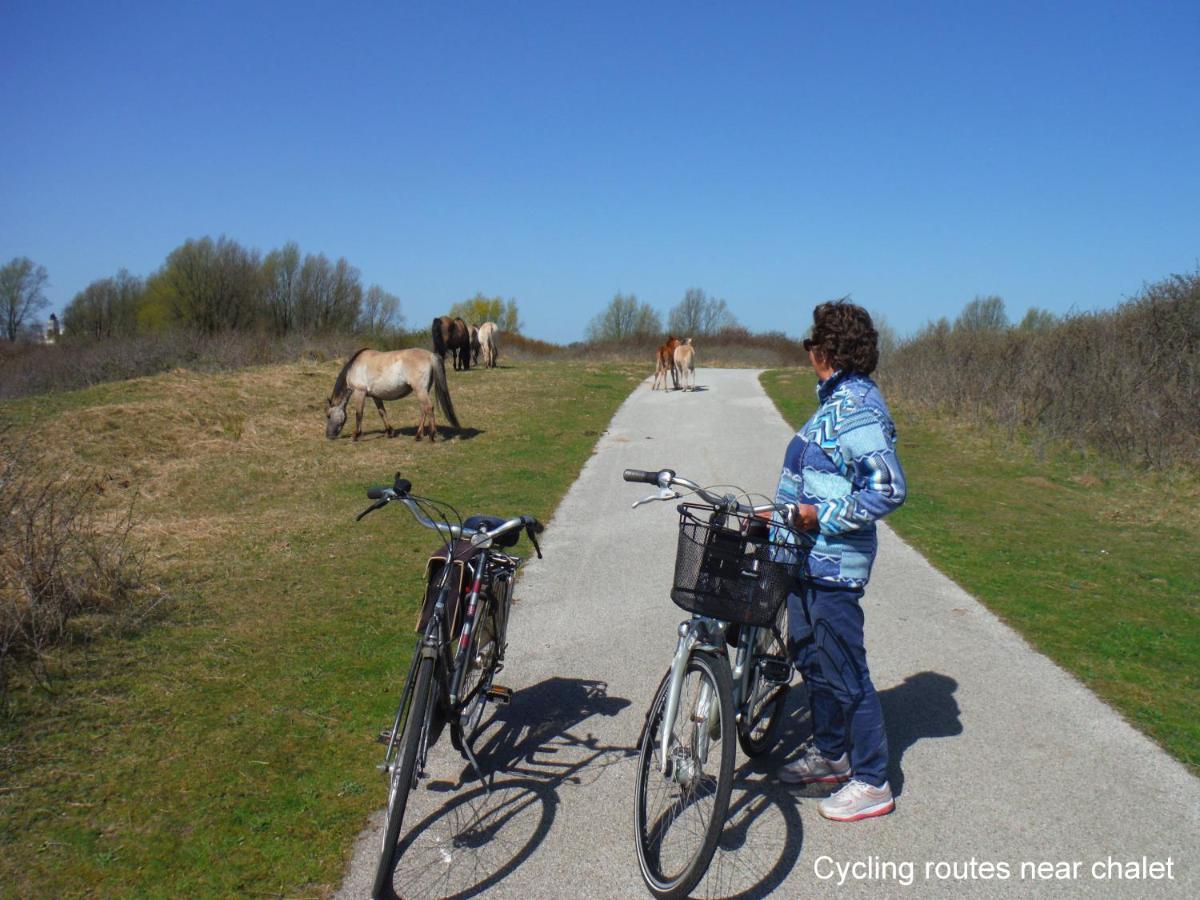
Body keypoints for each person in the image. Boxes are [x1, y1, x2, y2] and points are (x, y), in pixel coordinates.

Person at [773, 299, 907, 822]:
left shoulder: (857, 410)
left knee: (846, 669)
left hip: (833, 565)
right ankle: (832, 755)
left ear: (825, 351)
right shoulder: (834, 402)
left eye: (811, 343)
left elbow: (889, 488)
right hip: (806, 559)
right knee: (813, 659)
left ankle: (873, 780)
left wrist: (817, 514)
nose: (808, 352)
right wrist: (779, 513)